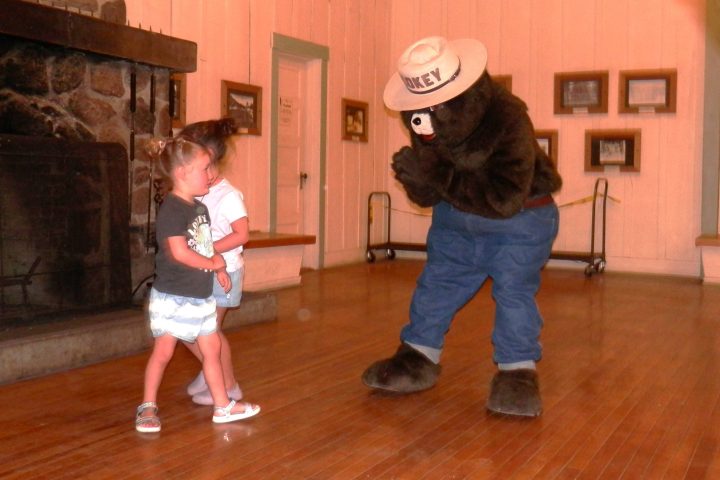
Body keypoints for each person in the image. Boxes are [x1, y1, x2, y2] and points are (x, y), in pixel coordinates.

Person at [135, 135, 259, 433]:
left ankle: (222, 405)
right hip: (174, 296)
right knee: (163, 353)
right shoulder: (172, 209)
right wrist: (213, 264)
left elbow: (204, 246)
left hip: (201, 295)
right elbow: (179, 252)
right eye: (204, 169)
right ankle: (147, 406)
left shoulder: (199, 209)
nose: (210, 174)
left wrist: (219, 267)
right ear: (182, 173)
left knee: (211, 350)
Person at [178, 118, 248, 406]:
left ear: (210, 161)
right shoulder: (197, 192)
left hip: (225, 273)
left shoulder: (228, 196)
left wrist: (207, 250)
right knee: (190, 329)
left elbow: (241, 235)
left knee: (208, 331)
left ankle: (228, 386)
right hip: (202, 271)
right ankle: (211, 373)